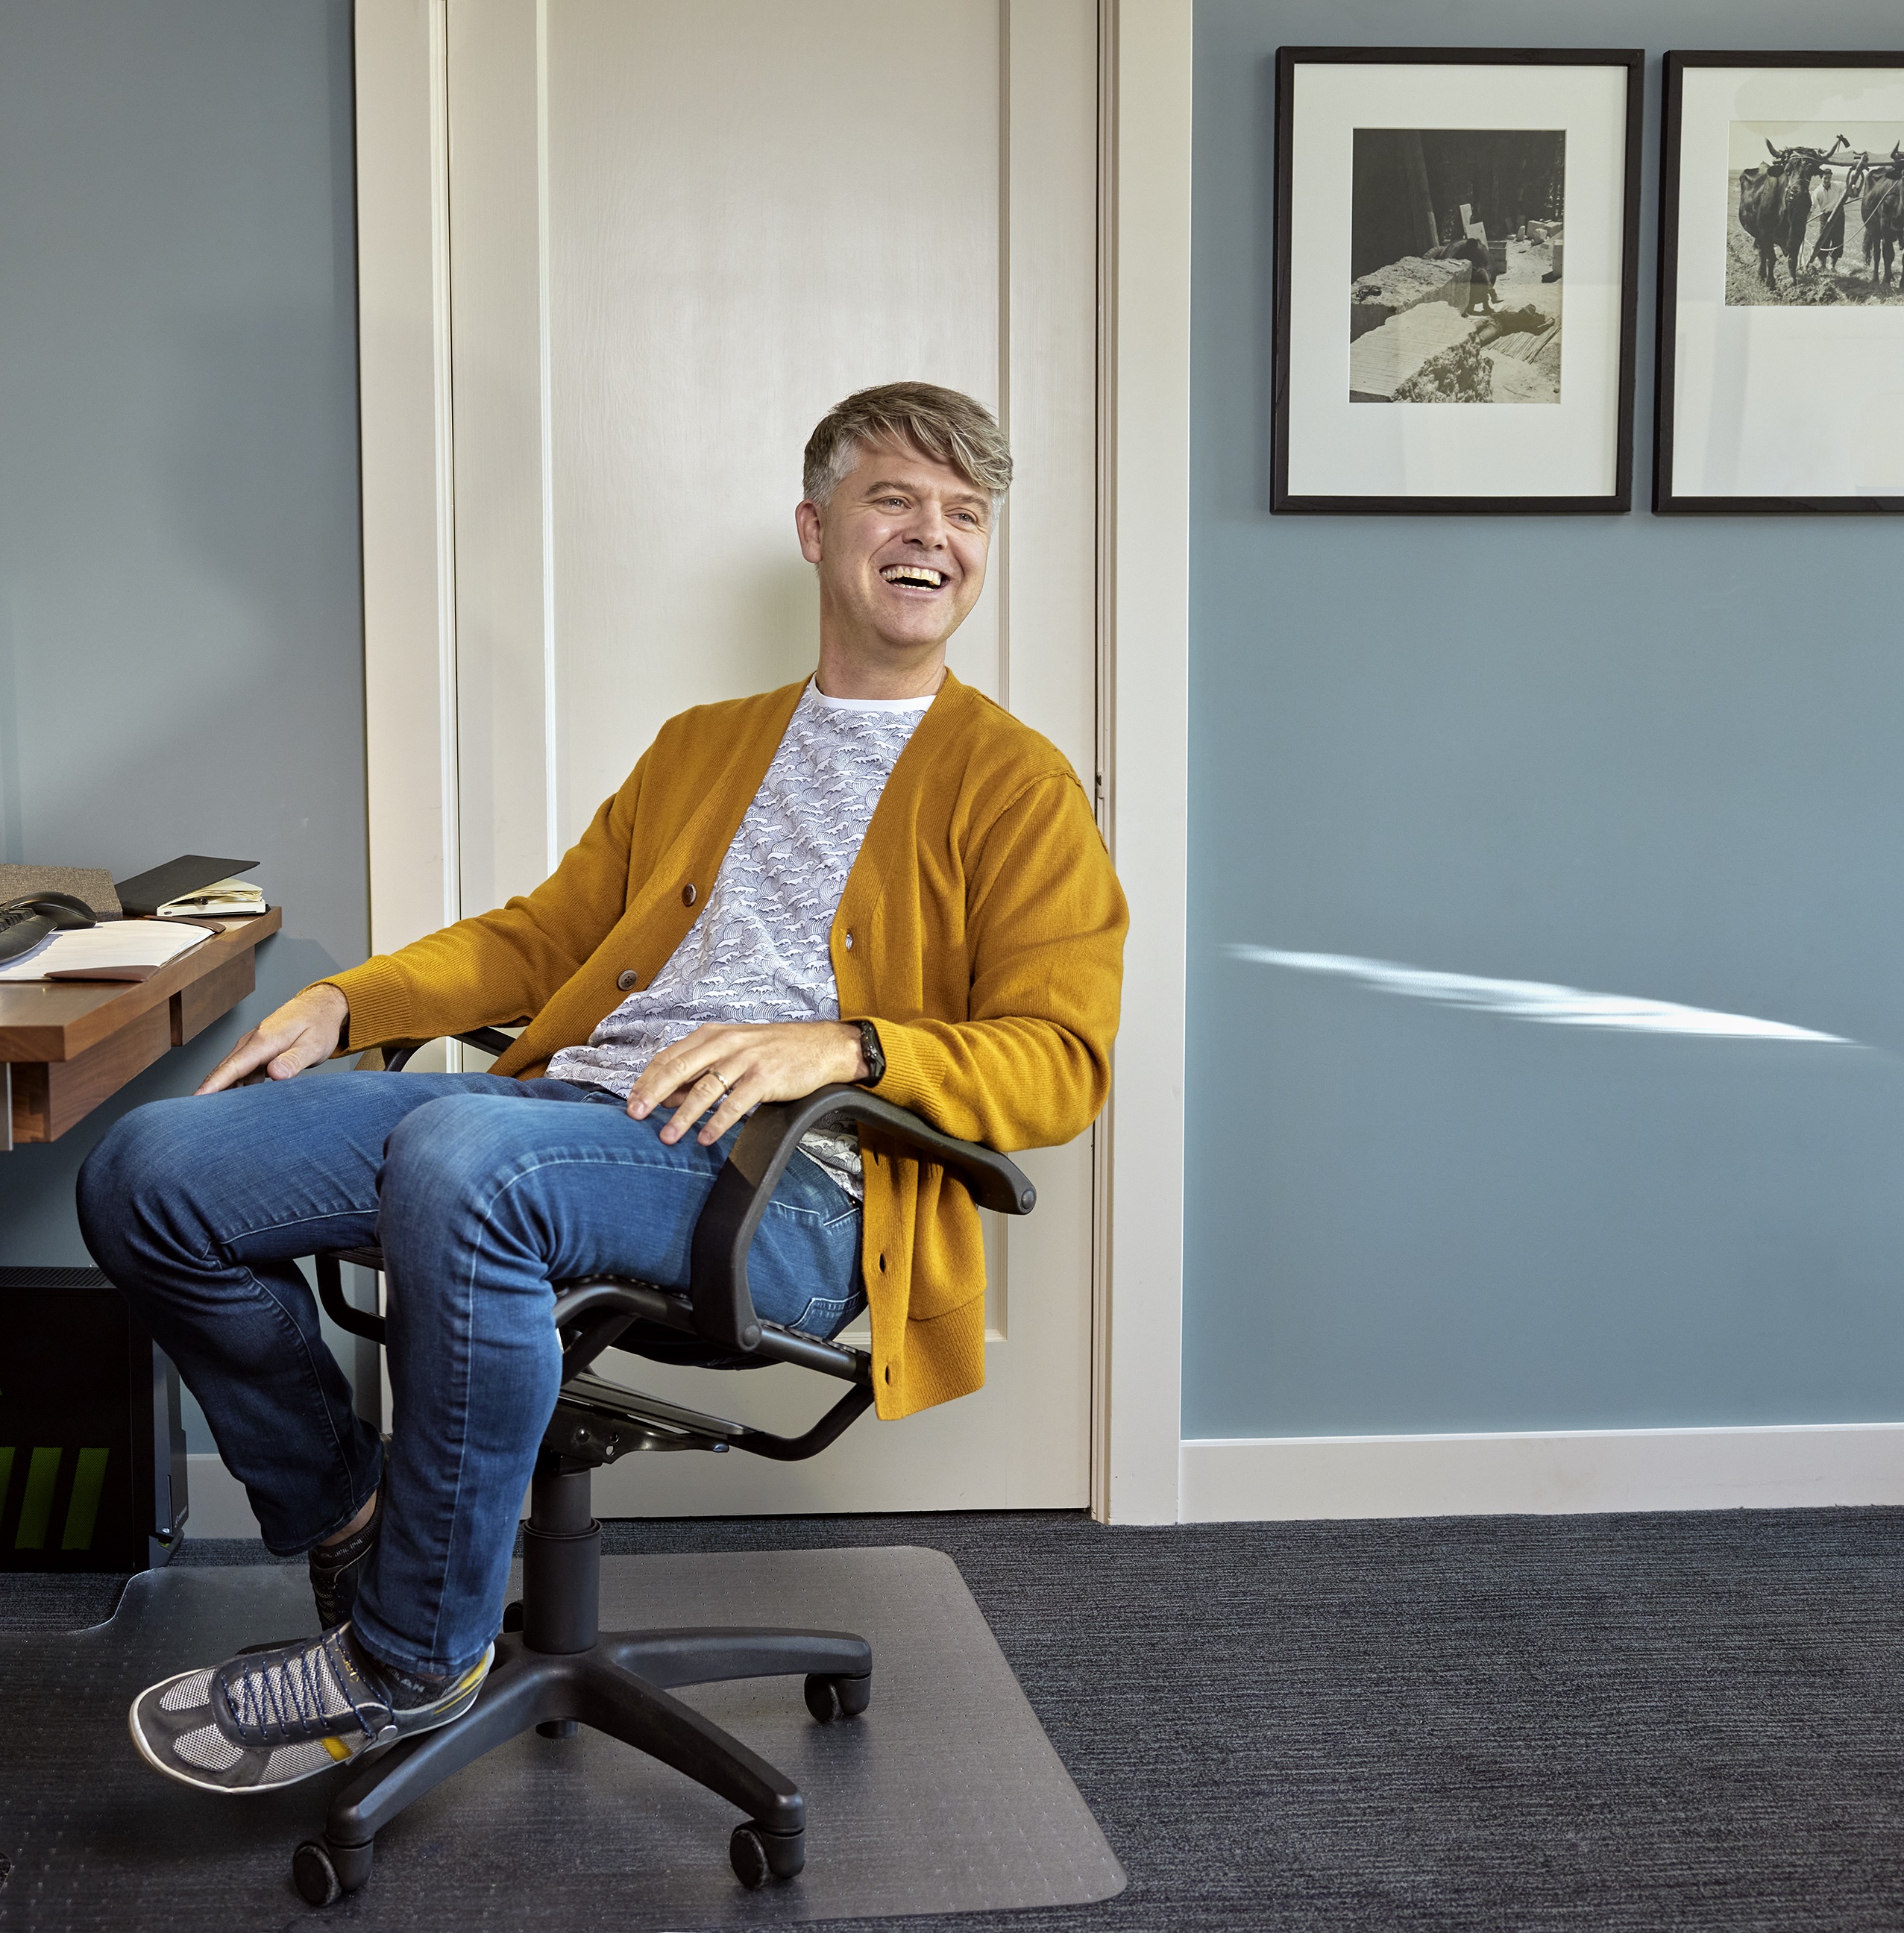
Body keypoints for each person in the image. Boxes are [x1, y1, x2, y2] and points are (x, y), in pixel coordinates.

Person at [84, 381, 1128, 1795]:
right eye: (895, 499)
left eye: (965, 513)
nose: (931, 536)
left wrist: (849, 1047)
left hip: (790, 1190)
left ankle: (411, 1653)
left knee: (464, 1162)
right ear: (816, 528)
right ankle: (351, 1522)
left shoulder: (1018, 786)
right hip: (568, 1122)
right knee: (150, 1171)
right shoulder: (705, 744)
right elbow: (542, 940)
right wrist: (349, 1001)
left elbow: (1063, 1062)